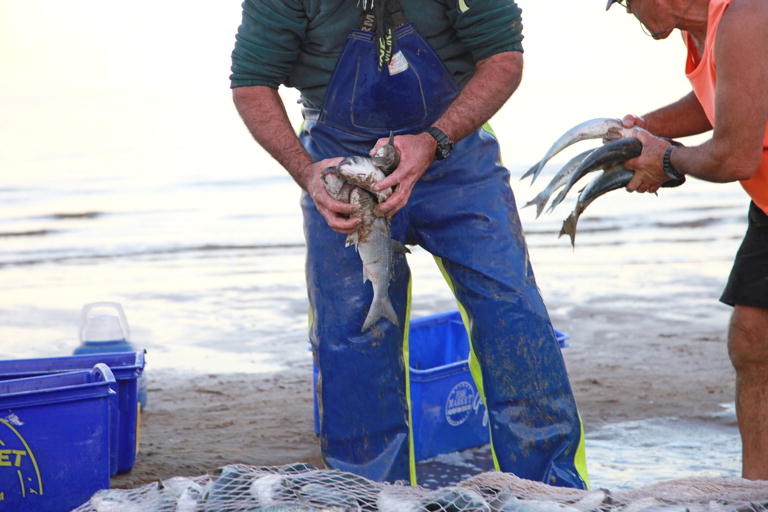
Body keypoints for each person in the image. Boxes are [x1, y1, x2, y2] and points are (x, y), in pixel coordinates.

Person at [230, 0, 588, 488]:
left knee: (512, 312)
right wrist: (307, 173)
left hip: (455, 153)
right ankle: (370, 493)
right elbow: (251, 82)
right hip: (340, 166)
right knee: (351, 337)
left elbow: (503, 58)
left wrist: (436, 138)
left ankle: (551, 489)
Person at [605, 0, 768, 480]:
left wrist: (666, 159)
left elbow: (734, 157)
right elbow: (720, 97)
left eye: (626, 1)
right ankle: (756, 491)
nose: (627, 12)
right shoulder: (698, 31)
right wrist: (643, 130)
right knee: (752, 338)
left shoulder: (746, 15)